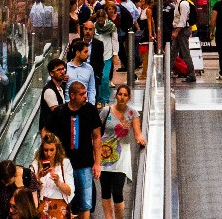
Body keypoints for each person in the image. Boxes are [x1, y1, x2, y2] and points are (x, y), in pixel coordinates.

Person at [100, 83, 145, 219]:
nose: (122, 97)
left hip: (121, 156)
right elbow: (96, 132)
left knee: (118, 190)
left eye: (125, 95)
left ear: (129, 98)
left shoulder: (132, 113)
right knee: (105, 190)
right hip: (104, 154)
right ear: (116, 95)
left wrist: (141, 140)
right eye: (120, 94)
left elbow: (138, 134)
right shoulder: (105, 111)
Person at [57, 80, 102, 215]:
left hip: (85, 164)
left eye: (85, 93)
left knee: (86, 203)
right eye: (82, 94)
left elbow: (97, 137)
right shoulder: (60, 111)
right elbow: (46, 131)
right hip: (65, 164)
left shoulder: (90, 110)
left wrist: (97, 163)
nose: (85, 96)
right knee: (66, 203)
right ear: (72, 95)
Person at [34, 131, 74, 219]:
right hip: (42, 205)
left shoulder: (65, 163)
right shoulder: (36, 163)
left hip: (59, 205)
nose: (48, 154)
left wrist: (58, 182)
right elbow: (30, 188)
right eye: (46, 150)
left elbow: (69, 191)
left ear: (57, 149)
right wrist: (39, 176)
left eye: (52, 150)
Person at [65, 39, 97, 105]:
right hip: (68, 105)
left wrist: (91, 105)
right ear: (77, 53)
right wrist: (61, 79)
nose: (88, 54)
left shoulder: (89, 68)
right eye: (85, 52)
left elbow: (91, 89)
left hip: (84, 105)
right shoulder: (65, 68)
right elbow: (51, 80)